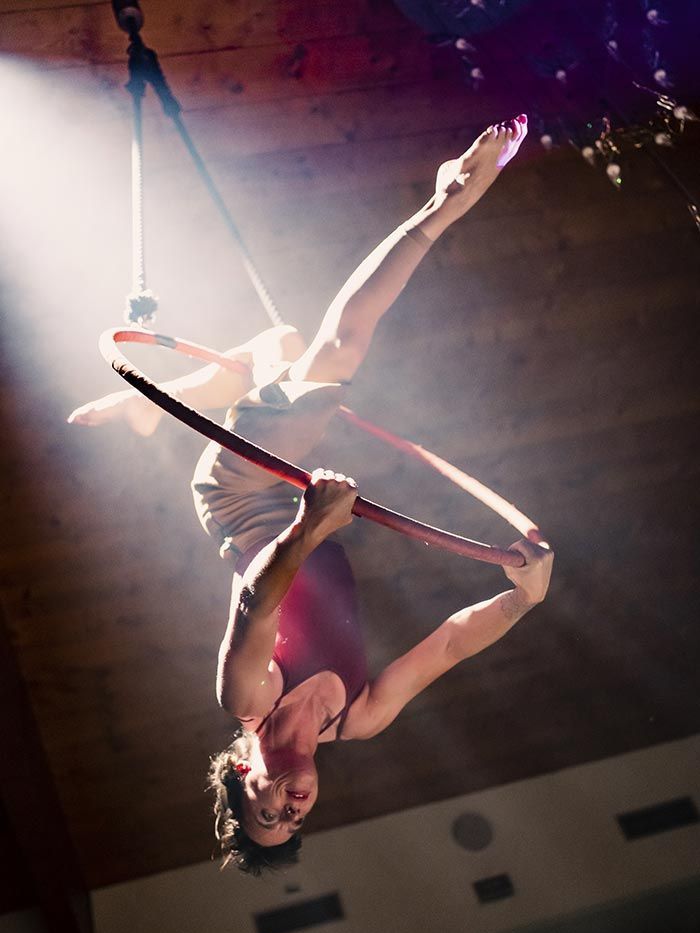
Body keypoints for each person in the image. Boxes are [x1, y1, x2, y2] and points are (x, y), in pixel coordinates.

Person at [69, 114, 553, 875]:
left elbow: (257, 604)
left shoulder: (246, 697)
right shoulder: (359, 717)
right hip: (297, 505)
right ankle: (172, 396)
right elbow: (452, 642)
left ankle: (444, 203)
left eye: (265, 809)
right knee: (289, 350)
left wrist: (308, 527)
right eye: (295, 819)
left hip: (239, 501)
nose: (289, 804)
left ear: (240, 773)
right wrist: (522, 600)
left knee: (335, 357)